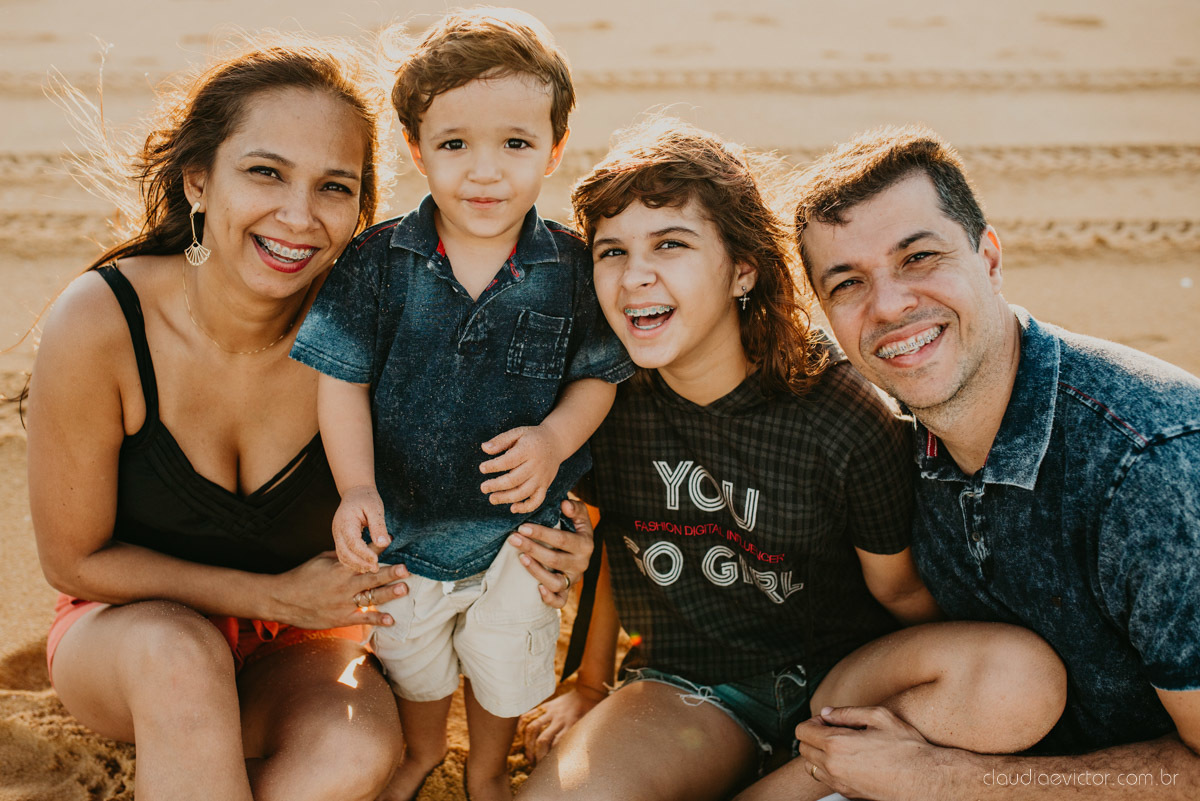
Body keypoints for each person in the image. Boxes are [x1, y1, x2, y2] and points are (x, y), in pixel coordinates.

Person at [27, 35, 591, 801]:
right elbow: (74, 561)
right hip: (125, 639)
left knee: (355, 750)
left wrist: (559, 529)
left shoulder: (382, 327)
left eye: (334, 187)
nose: (298, 216)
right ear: (199, 180)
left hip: (296, 646)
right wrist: (270, 596)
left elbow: (493, 446)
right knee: (180, 656)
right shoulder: (103, 322)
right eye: (265, 172)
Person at [514, 119, 1065, 801]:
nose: (636, 276)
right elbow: (615, 543)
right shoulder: (604, 399)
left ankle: (808, 776)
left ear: (743, 268)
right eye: (611, 251)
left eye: (671, 244)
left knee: (1020, 674)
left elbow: (898, 592)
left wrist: (936, 710)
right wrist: (592, 683)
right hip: (690, 685)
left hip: (837, 688)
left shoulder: (839, 413)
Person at [789, 125, 1200, 800]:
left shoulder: (1150, 471)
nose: (889, 305)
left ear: (990, 258)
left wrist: (944, 778)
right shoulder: (892, 440)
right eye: (847, 283)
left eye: (919, 258)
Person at [290, 10, 632, 801]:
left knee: (507, 654)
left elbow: (599, 375)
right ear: (416, 148)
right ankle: (419, 754)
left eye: (515, 144)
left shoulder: (570, 267)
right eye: (454, 145)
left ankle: (482, 768)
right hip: (404, 523)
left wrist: (554, 436)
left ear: (555, 146)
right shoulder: (380, 261)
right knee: (414, 659)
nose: (485, 172)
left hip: (522, 529)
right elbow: (340, 376)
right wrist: (356, 489)